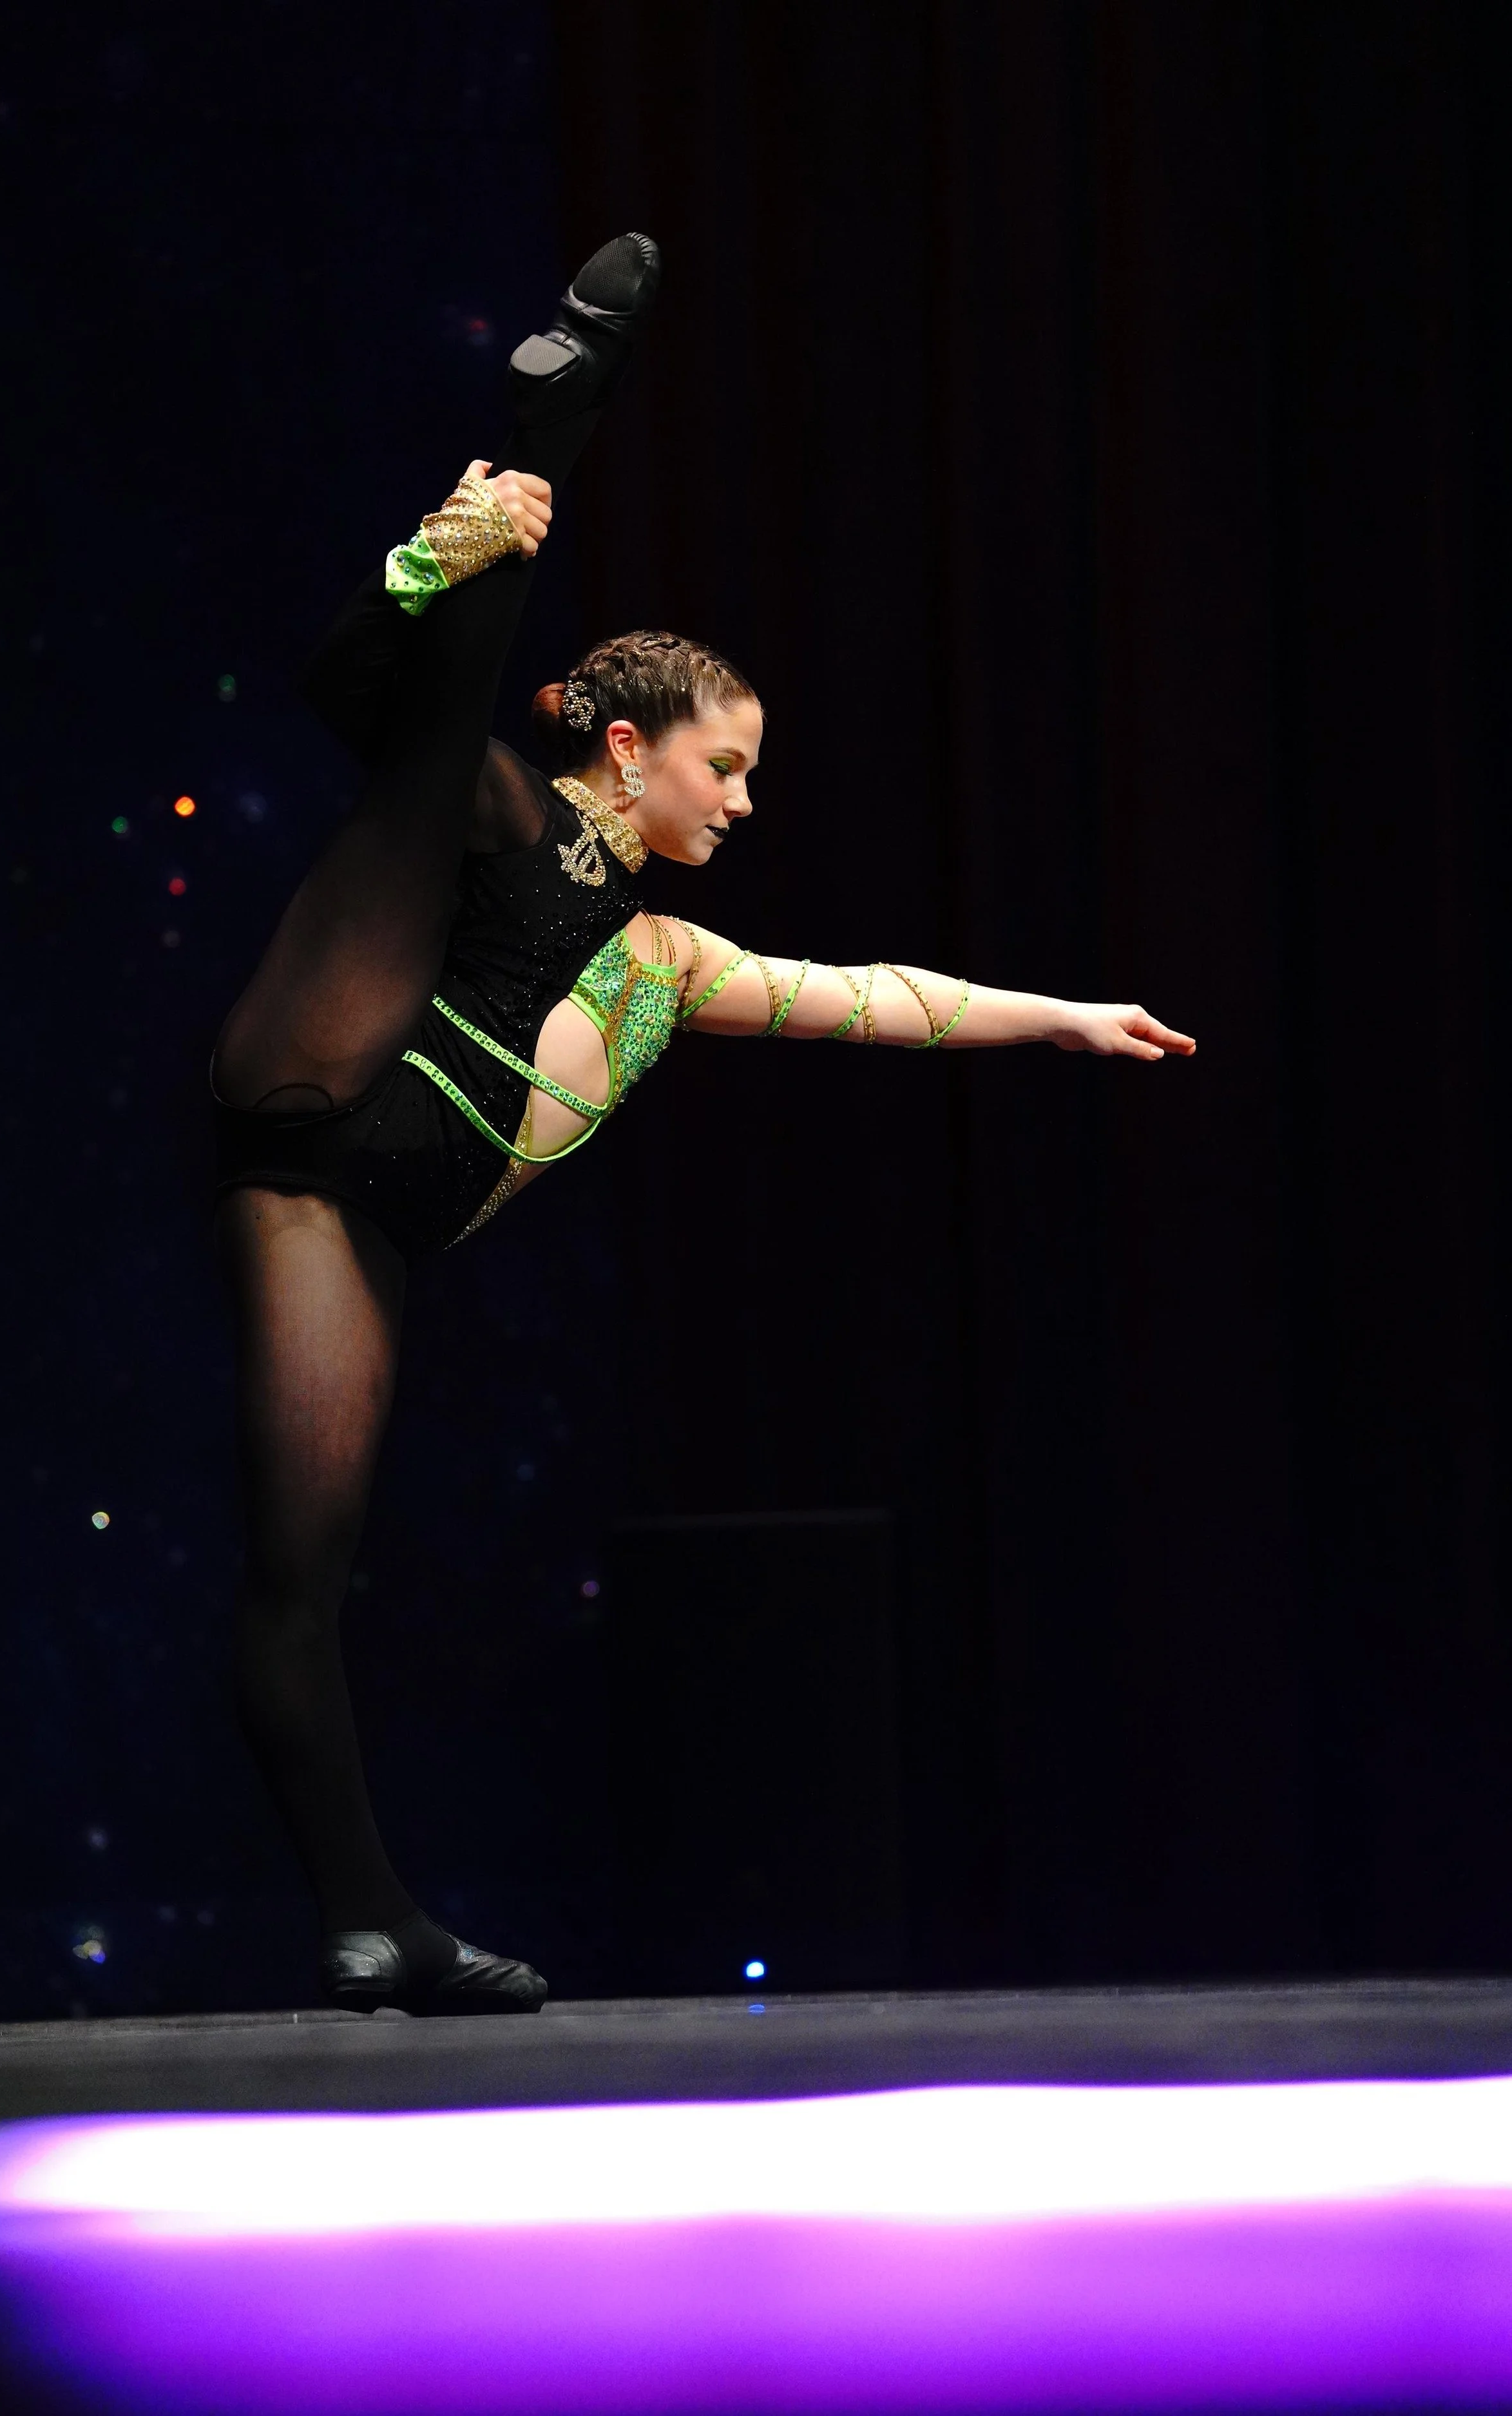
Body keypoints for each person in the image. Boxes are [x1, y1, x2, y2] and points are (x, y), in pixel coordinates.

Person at [210, 235, 1196, 2017]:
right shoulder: (525, 799)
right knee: (433, 746)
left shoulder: (671, 956)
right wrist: (443, 559)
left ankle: (368, 1919)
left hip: (375, 1222)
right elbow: (358, 701)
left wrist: (1057, 1011)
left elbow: (875, 996)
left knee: (309, 1571)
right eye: (721, 764)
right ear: (627, 746)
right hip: (317, 1100)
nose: (742, 797)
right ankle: (551, 421)